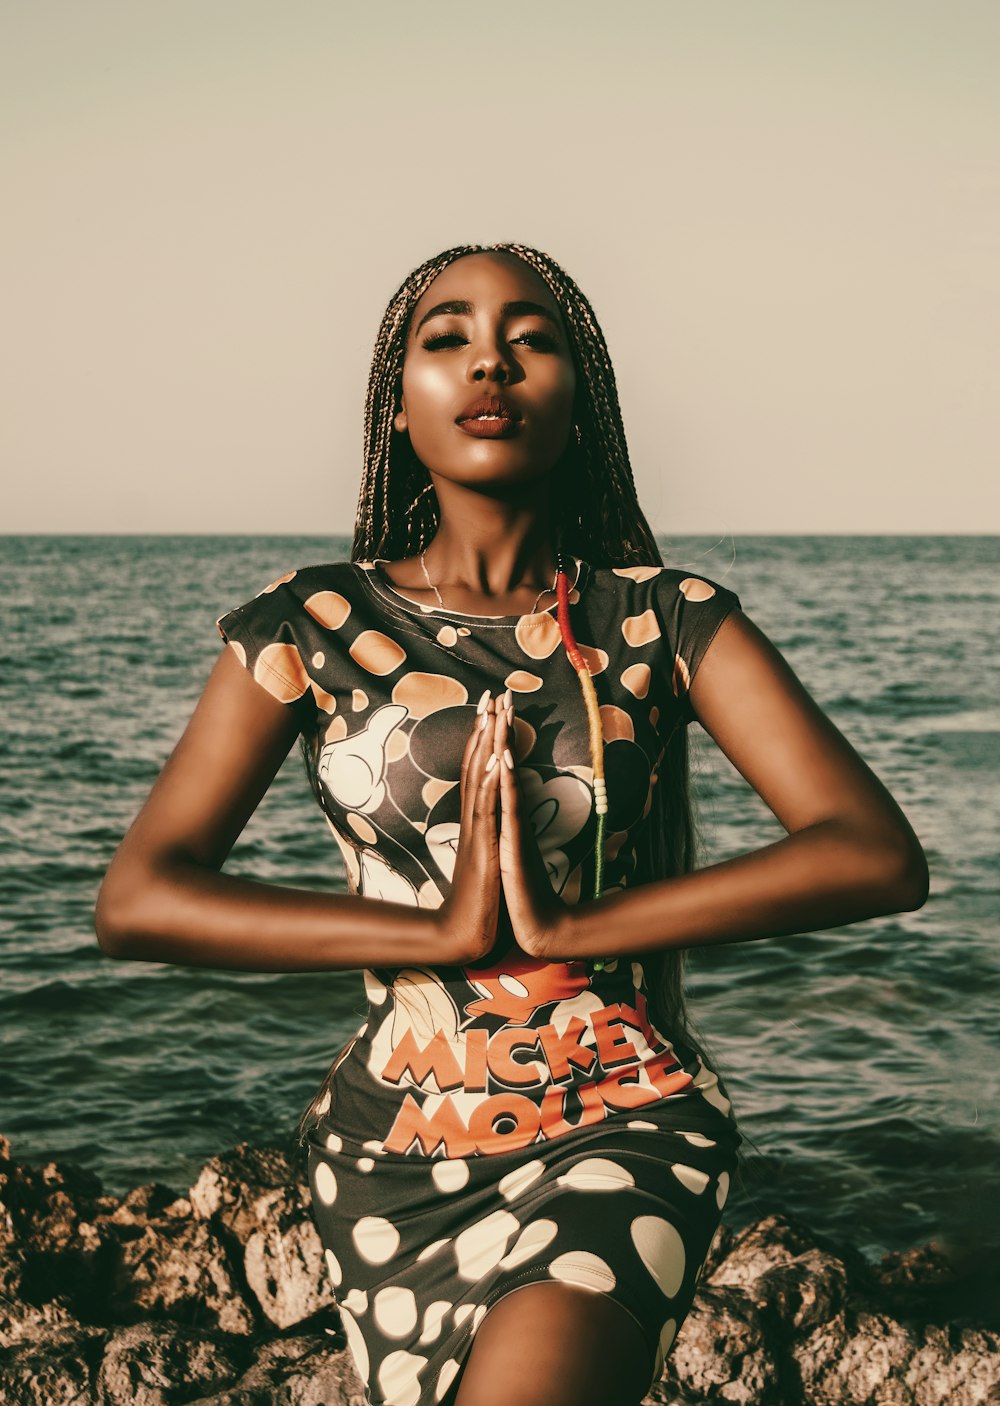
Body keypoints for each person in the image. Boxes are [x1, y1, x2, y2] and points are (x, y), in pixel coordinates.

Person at [95, 242, 929, 1406]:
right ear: (398, 406)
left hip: (623, 1118)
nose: (489, 358)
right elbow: (140, 894)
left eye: (531, 338)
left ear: (580, 401)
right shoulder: (308, 626)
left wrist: (581, 918)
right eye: (447, 338)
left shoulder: (664, 619)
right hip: (392, 1147)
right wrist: (436, 934)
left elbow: (874, 852)